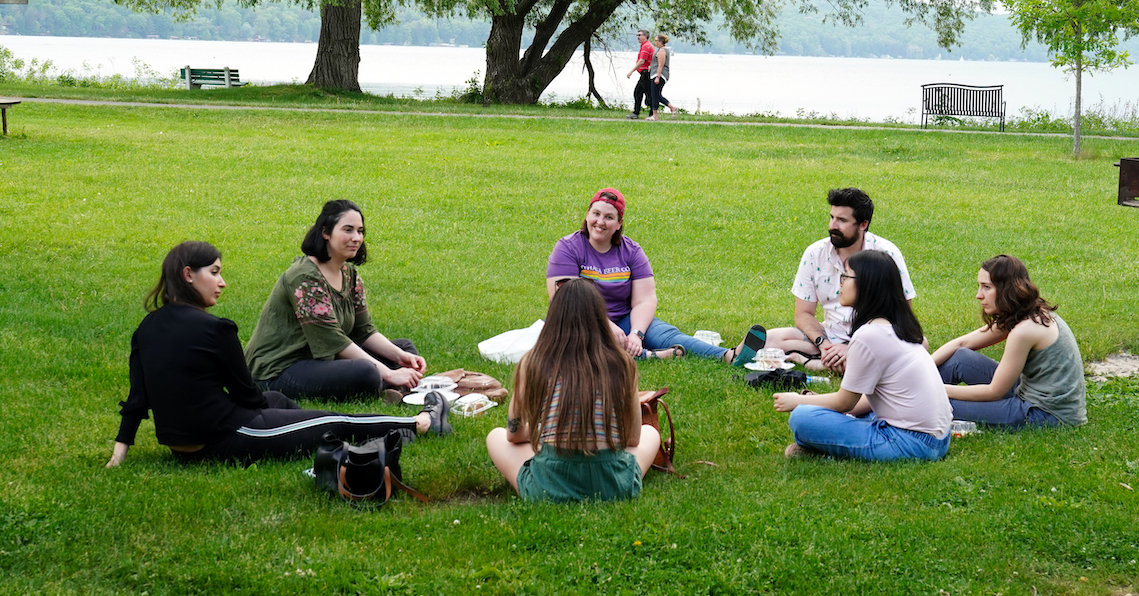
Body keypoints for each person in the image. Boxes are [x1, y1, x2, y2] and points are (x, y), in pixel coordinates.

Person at [108, 241, 451, 468]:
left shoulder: (146, 328)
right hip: (226, 437)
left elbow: (138, 397)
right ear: (188, 275)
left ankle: (300, 423)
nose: (222, 282)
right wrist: (285, 421)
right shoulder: (216, 329)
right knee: (331, 422)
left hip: (180, 445)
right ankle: (421, 423)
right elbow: (245, 394)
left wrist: (118, 454)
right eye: (214, 272)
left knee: (280, 402)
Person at [486, 278, 661, 501]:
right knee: (651, 433)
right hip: (613, 485)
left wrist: (549, 432)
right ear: (600, 317)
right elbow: (633, 439)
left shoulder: (533, 362)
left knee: (496, 436)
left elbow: (514, 435)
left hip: (549, 486)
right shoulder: (622, 362)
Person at [772, 250, 952, 462]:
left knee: (802, 419)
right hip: (938, 438)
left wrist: (798, 401)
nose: (840, 282)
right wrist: (818, 402)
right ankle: (826, 442)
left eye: (846, 276)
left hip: (910, 442)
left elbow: (844, 402)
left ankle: (822, 446)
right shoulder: (894, 325)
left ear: (868, 285)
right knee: (845, 413)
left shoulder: (869, 335)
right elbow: (866, 399)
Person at [245, 200, 427, 401]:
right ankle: (388, 386)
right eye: (347, 230)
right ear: (326, 232)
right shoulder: (304, 278)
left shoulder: (350, 274)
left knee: (405, 348)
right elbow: (332, 341)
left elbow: (363, 330)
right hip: (279, 369)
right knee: (366, 371)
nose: (356, 238)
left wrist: (399, 357)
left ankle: (388, 388)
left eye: (360, 231)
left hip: (322, 360)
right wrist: (389, 372)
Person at [546, 187, 735, 361]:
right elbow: (565, 299)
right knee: (586, 343)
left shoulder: (632, 251)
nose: (600, 222)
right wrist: (606, 326)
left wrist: (636, 334)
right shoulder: (567, 248)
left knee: (666, 335)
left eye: (609, 217)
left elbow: (645, 300)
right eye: (596, 214)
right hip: (579, 320)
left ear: (619, 224)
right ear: (587, 215)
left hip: (624, 319)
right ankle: (653, 356)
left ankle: (728, 356)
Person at [741, 187, 916, 374]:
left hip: (874, 339)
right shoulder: (815, 253)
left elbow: (903, 316)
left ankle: (820, 360)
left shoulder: (886, 255)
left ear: (863, 224)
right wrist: (823, 344)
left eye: (842, 220)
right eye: (832, 217)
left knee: (913, 346)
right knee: (771, 339)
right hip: (829, 336)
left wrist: (854, 348)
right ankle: (720, 353)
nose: (833, 225)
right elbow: (803, 314)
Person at [932, 255, 1087, 429]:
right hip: (1028, 392)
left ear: (1007, 289)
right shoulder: (1024, 314)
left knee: (937, 405)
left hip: (1045, 414)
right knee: (960, 358)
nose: (978, 295)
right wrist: (920, 370)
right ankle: (910, 392)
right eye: (979, 286)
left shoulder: (1025, 330)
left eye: (986, 287)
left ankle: (910, 402)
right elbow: (962, 344)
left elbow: (994, 392)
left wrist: (935, 389)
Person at [646, 34, 678, 121]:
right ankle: (672, 108)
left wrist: (657, 76)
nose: (655, 42)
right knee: (656, 94)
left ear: (660, 42)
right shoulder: (662, 50)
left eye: (656, 41)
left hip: (660, 75)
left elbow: (661, 65)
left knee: (654, 95)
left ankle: (655, 116)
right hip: (657, 73)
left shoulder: (662, 51)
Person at [625, 29, 653, 119]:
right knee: (638, 92)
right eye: (637, 35)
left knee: (647, 94)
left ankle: (651, 113)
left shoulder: (646, 46)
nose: (638, 37)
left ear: (645, 36)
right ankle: (636, 112)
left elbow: (641, 61)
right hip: (644, 73)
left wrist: (631, 71)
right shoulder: (645, 46)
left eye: (640, 35)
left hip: (646, 73)